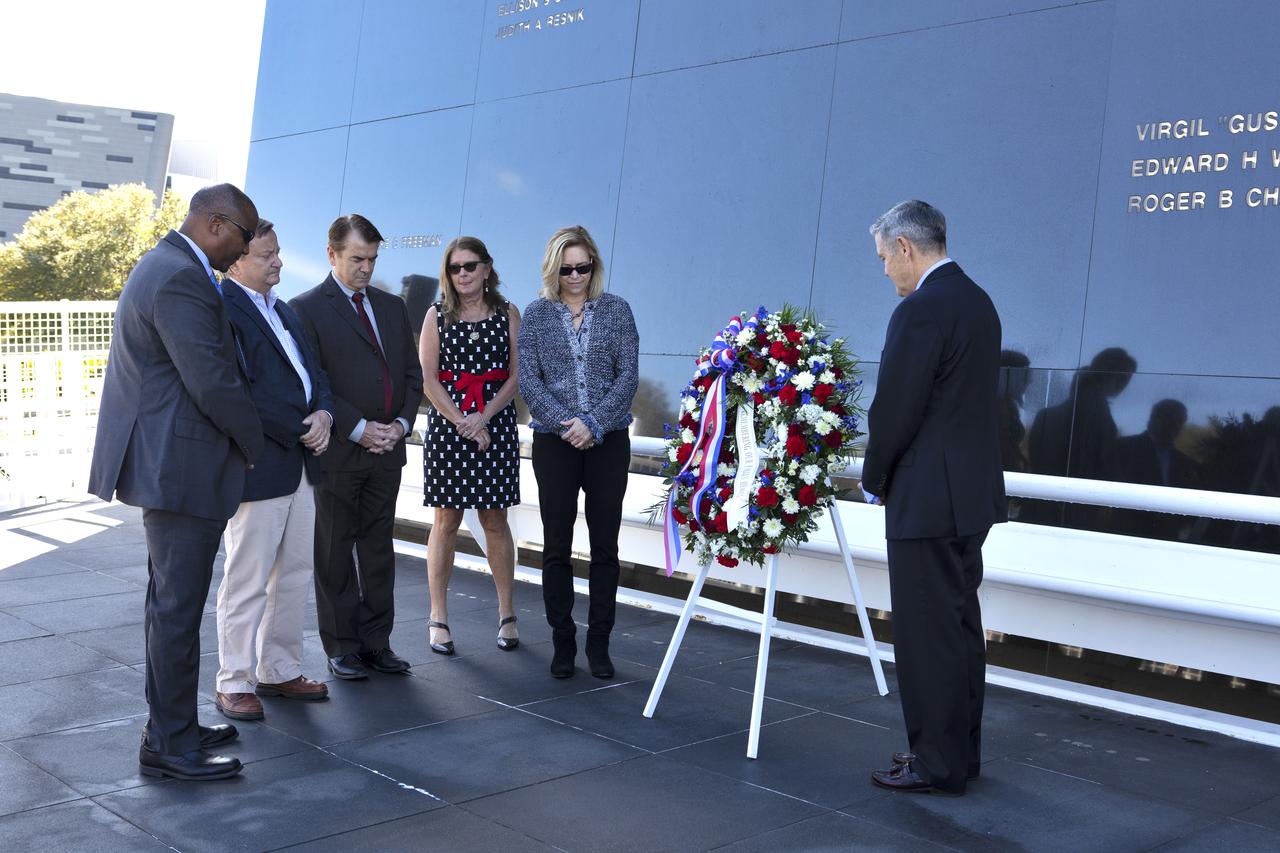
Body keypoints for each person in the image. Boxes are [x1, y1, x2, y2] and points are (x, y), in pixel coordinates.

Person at [88, 183, 264, 781]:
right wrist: (254, 444)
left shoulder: (167, 266)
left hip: (175, 465)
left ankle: (172, 727)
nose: (243, 253)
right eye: (243, 238)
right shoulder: (180, 276)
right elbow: (211, 380)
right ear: (216, 224)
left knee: (170, 605)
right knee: (176, 609)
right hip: (181, 468)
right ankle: (169, 743)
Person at [859, 200, 1006, 795]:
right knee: (960, 628)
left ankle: (935, 763)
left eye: (883, 259)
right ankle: (958, 754)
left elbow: (897, 407)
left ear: (905, 249)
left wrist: (874, 476)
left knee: (927, 636)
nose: (885, 273)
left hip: (927, 500)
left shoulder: (920, 311)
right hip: (970, 498)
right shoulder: (979, 302)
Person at [289, 215, 424, 680]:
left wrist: (401, 424)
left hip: (388, 450)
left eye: (372, 259)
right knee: (333, 552)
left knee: (379, 551)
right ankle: (342, 645)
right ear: (332, 254)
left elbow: (411, 374)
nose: (366, 268)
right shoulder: (304, 308)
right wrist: (360, 427)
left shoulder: (392, 307)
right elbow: (313, 381)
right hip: (339, 453)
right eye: (356, 259)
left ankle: (376, 643)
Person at [215, 219, 334, 721]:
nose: (278, 262)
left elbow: (316, 374)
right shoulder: (224, 309)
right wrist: (301, 426)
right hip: (261, 464)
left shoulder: (284, 311)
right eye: (267, 255)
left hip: (303, 463)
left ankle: (279, 670)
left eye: (278, 253)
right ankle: (234, 680)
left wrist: (325, 413)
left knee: (294, 575)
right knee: (247, 578)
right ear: (238, 259)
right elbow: (238, 389)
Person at [518, 226, 638, 679]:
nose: (574, 276)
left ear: (595, 266)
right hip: (555, 443)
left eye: (582, 267)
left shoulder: (618, 311)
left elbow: (628, 376)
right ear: (553, 269)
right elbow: (529, 381)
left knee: (605, 545)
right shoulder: (536, 315)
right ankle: (563, 642)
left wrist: (592, 424)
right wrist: (568, 426)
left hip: (608, 441)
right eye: (565, 268)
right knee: (556, 545)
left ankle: (600, 644)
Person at [419, 237, 521, 654]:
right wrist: (463, 421)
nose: (463, 274)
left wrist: (485, 417)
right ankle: (438, 617)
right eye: (455, 267)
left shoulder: (507, 313)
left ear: (486, 268)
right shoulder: (435, 315)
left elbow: (517, 375)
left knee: (495, 520)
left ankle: (508, 614)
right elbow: (428, 380)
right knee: (446, 522)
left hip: (494, 426)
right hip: (449, 428)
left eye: (470, 266)